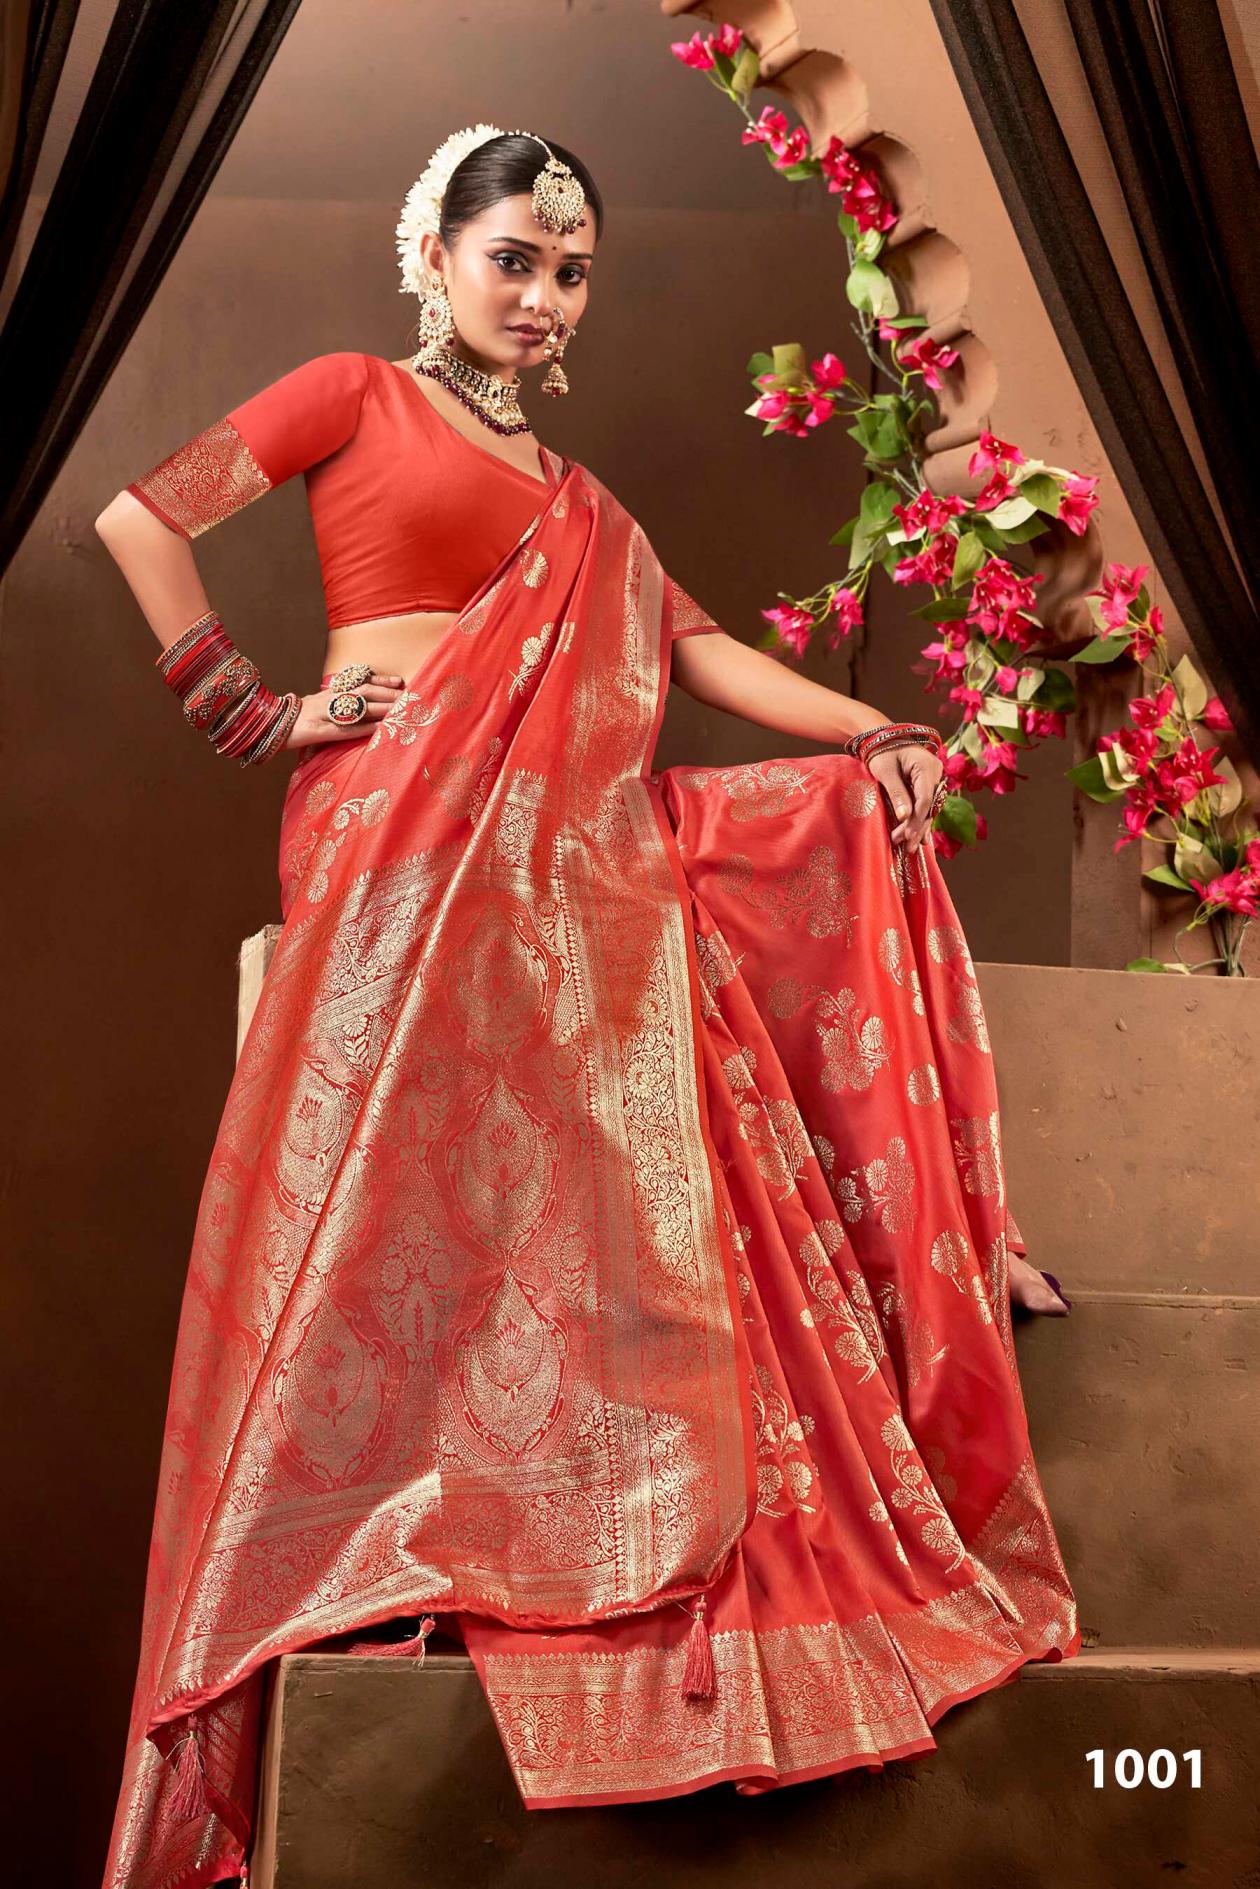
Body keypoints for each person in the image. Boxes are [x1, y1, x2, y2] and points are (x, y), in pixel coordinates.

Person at [94, 124, 1079, 1886]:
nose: (543, 296)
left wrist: (871, 726)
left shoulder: (583, 507)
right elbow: (139, 516)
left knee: (703, 903)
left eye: (570, 273)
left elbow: (696, 652)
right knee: (582, 974)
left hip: (552, 852)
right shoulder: (351, 394)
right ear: (437, 254)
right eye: (513, 260)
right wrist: (254, 708)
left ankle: (603, 1487)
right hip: (395, 822)